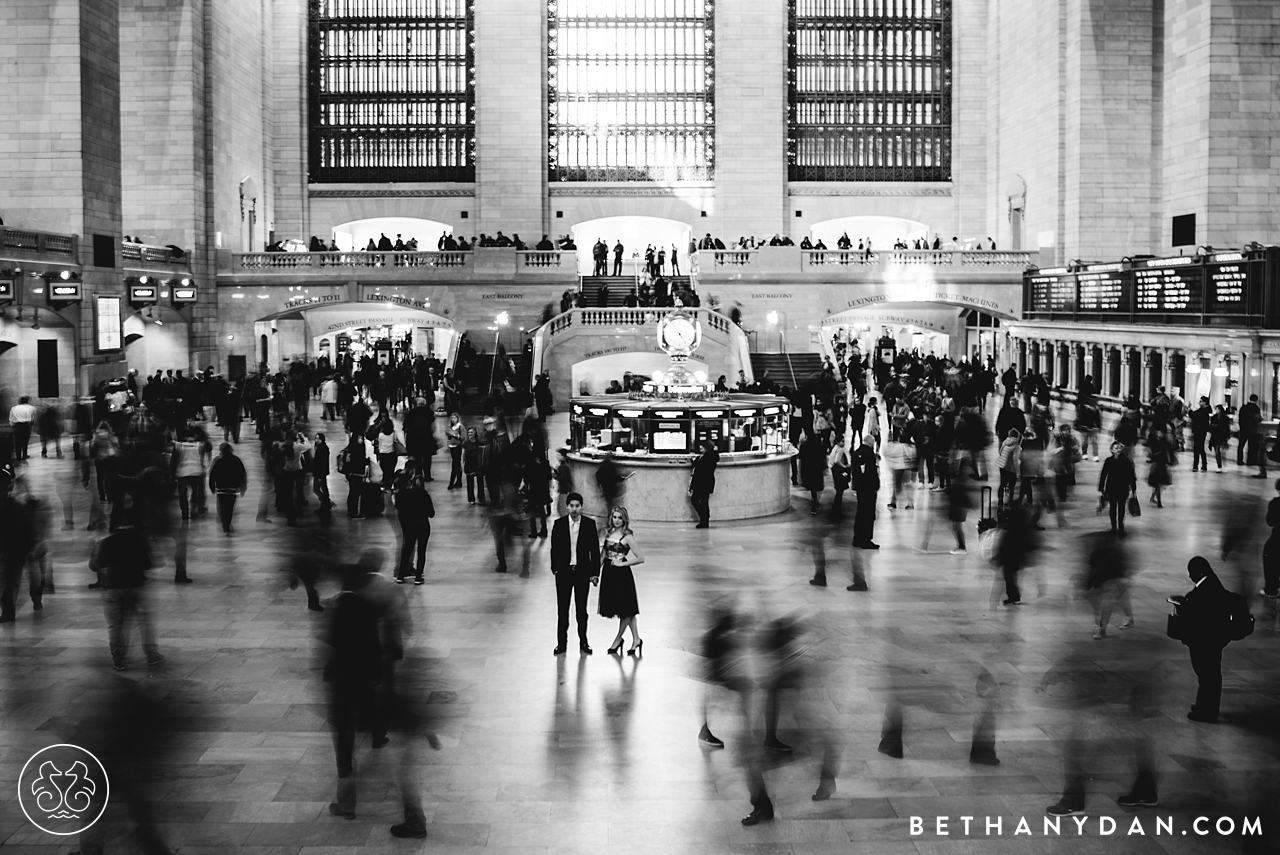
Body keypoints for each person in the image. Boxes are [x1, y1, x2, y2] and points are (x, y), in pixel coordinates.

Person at [89, 510, 163, 670]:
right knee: (144, 621)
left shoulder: (106, 542)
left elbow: (94, 565)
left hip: (112, 588)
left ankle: (119, 659)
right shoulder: (139, 541)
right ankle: (152, 654)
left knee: (116, 625)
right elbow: (149, 564)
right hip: (135, 586)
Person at [1170, 557, 1234, 722]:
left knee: (1208, 676)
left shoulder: (1207, 588)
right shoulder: (1212, 582)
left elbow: (1200, 613)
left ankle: (1207, 713)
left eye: (1191, 573)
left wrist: (1183, 605)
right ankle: (1206, 707)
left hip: (1206, 640)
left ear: (1199, 572)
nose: (1190, 576)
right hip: (1212, 639)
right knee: (1209, 675)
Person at [549, 493, 600, 655]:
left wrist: (594, 573)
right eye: (571, 506)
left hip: (582, 572)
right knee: (562, 610)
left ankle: (583, 642)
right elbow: (554, 548)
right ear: (567, 506)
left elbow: (594, 551)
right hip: (564, 572)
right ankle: (561, 644)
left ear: (581, 506)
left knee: (581, 610)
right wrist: (555, 568)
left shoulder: (589, 524)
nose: (574, 509)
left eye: (577, 506)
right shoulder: (559, 524)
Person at [599, 506, 645, 656]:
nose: (617, 520)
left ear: (624, 519)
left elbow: (640, 558)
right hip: (608, 573)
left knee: (625, 610)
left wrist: (622, 563)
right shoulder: (608, 533)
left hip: (622, 575)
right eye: (614, 517)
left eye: (619, 517)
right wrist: (595, 573)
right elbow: (603, 555)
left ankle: (618, 639)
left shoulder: (628, 537)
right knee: (627, 609)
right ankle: (636, 639)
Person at [392, 459, 435, 584]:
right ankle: (418, 577)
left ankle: (401, 575)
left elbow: (399, 507)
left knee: (407, 549)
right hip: (422, 524)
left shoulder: (405, 494)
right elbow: (431, 514)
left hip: (408, 524)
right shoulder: (424, 495)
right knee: (421, 551)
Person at [207, 442, 247, 535]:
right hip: (232, 489)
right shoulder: (237, 460)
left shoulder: (218, 461)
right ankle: (227, 523)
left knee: (222, 507)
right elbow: (242, 474)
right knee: (230, 507)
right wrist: (242, 486)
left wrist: (212, 486)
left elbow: (213, 475)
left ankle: (224, 522)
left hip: (221, 489)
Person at [1098, 441, 1137, 534]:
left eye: (1119, 448)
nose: (1118, 450)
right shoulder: (1108, 461)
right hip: (1111, 488)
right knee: (1112, 508)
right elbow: (1103, 474)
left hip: (1123, 488)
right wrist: (1101, 488)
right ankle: (1114, 526)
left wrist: (1133, 488)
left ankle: (1121, 526)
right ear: (1111, 450)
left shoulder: (1126, 461)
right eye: (1116, 448)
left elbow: (1131, 475)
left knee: (1121, 508)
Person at [851, 440, 879, 551]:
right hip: (868, 488)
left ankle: (857, 538)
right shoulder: (868, 454)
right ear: (871, 443)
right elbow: (869, 472)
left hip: (859, 487)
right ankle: (866, 540)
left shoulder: (856, 452)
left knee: (860, 512)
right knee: (868, 514)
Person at [689, 439, 719, 528]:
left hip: (703, 482)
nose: (700, 448)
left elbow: (701, 467)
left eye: (702, 446)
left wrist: (695, 461)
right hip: (705, 482)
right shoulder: (708, 456)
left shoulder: (709, 457)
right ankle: (704, 519)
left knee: (697, 500)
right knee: (703, 501)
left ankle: (704, 519)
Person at [1237, 394, 1264, 476]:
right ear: (1256, 400)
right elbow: (1258, 419)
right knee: (1252, 446)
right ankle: (1250, 461)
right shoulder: (1256, 408)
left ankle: (1240, 460)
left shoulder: (1244, 407)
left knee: (1241, 446)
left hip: (1243, 429)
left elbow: (1240, 418)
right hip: (1252, 430)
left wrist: (1241, 427)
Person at [9, 396, 36, 462]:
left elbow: (11, 418)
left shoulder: (14, 408)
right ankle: (24, 455)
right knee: (25, 441)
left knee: (17, 441)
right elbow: (30, 418)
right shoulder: (27, 409)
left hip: (17, 425)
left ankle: (18, 456)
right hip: (25, 425)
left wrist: (12, 425)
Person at [1188, 395, 1211, 472]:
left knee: (1199, 448)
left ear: (1205, 402)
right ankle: (1197, 465)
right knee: (1198, 448)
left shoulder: (1204, 411)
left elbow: (1195, 416)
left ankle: (1201, 465)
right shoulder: (1202, 410)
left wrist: (1190, 411)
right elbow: (1194, 414)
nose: (1199, 402)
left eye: (1201, 401)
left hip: (1200, 431)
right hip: (1199, 431)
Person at [462, 426, 483, 504]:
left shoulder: (479, 442)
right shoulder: (466, 443)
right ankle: (471, 499)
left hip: (478, 464)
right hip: (469, 464)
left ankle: (481, 498)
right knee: (470, 483)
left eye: (471, 432)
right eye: (469, 432)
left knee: (480, 482)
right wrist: (462, 464)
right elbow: (463, 454)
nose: (470, 434)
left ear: (475, 433)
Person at [445, 413, 464, 489]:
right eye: (452, 418)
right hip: (452, 447)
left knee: (455, 464)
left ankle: (451, 482)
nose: (453, 420)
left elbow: (463, 437)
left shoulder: (460, 427)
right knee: (457, 465)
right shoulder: (451, 427)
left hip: (457, 447)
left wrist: (456, 435)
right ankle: (459, 482)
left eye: (454, 418)